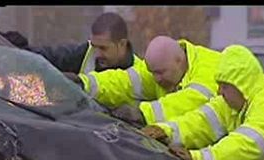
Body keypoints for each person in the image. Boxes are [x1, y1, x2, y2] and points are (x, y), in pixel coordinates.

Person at [77, 36, 221, 126]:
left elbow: (190, 103)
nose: (156, 79)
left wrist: (143, 113)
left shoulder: (209, 69)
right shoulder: (164, 63)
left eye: (160, 73)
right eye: (153, 73)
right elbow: (124, 82)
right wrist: (84, 83)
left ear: (179, 61)